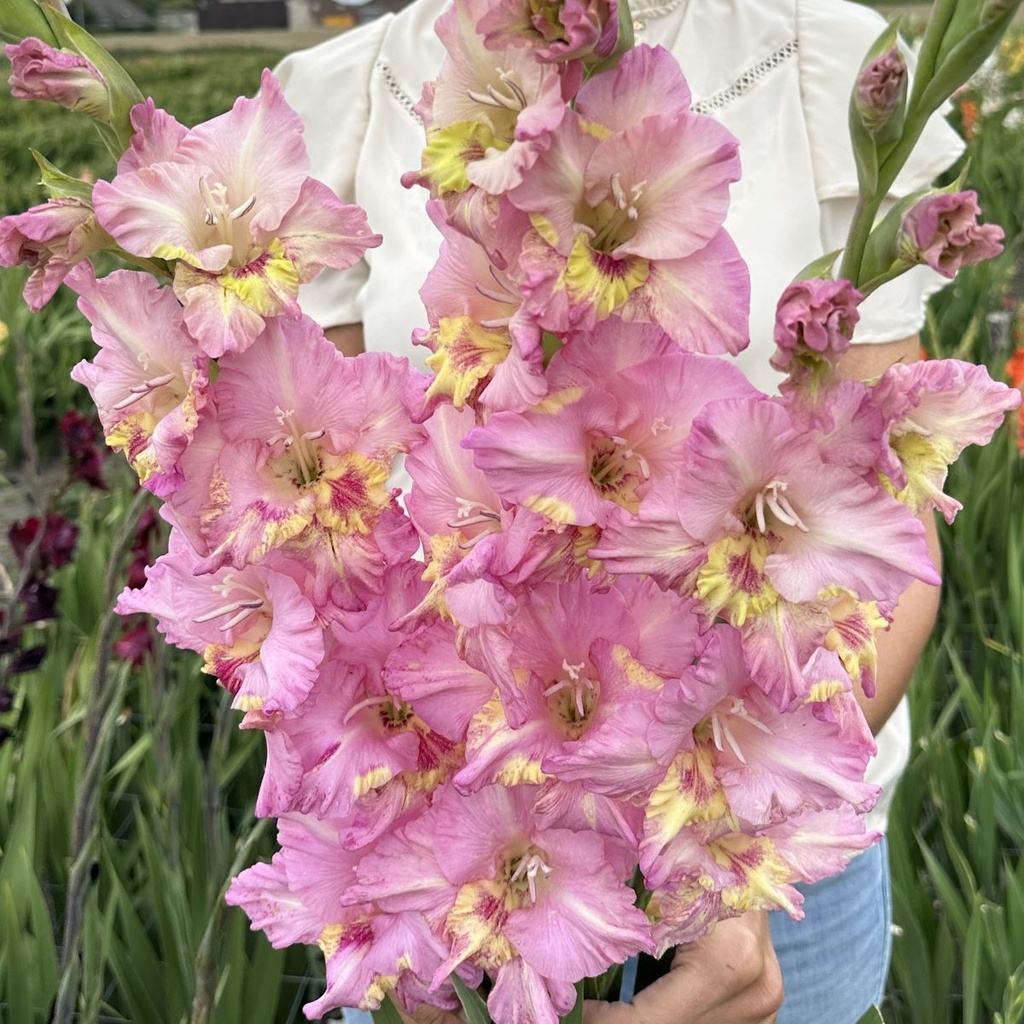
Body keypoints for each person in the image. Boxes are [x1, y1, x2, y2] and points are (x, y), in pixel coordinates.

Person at [274, 1, 963, 1020]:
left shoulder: (823, 62)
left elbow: (883, 541)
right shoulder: (343, 94)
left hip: (764, 849)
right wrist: (416, 892)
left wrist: (722, 844)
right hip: (457, 842)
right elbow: (329, 555)